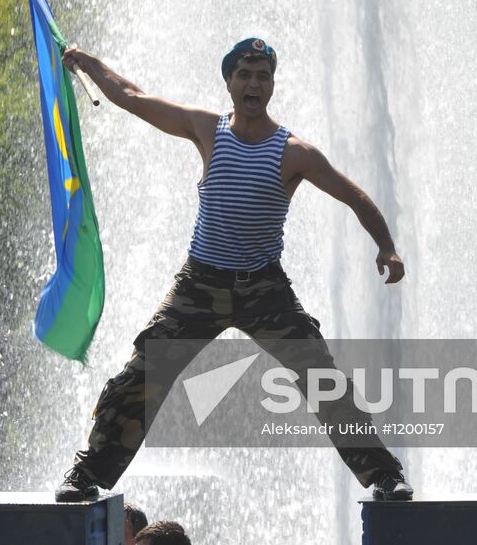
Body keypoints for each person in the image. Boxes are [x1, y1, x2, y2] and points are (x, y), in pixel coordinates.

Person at [54, 36, 412, 502]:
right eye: (244, 74)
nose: (253, 83)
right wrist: (89, 63)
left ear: (271, 87)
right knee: (140, 374)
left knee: (324, 380)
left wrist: (386, 246)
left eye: (263, 76)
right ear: (229, 82)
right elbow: (133, 97)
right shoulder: (207, 129)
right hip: (200, 283)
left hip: (264, 288)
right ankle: (87, 474)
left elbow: (353, 195)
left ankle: (385, 475)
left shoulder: (295, 153)